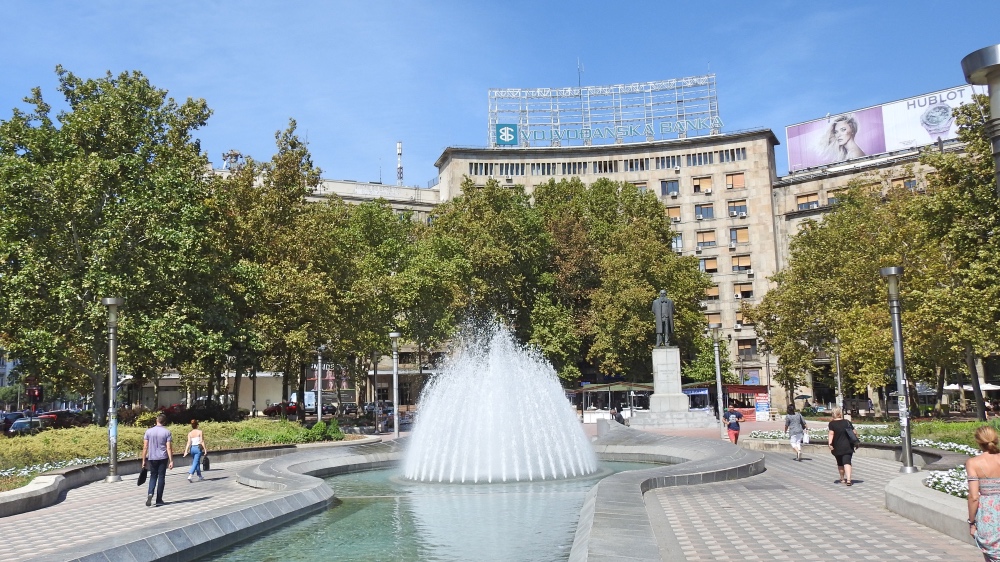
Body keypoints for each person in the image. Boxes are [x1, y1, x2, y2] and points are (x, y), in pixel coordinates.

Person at [966, 425, 1000, 560]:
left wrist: (971, 522)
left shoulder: (973, 463)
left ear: (978, 442)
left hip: (989, 514)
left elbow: (974, 497)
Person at [141, 413, 174, 506]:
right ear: (164, 422)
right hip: (163, 457)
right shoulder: (167, 432)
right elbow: (168, 448)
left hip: (152, 457)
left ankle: (150, 493)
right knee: (161, 477)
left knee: (153, 476)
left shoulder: (148, 431)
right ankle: (159, 499)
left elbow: (145, 447)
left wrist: (144, 460)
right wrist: (171, 461)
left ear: (157, 421)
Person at [827, 407, 857, 486]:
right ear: (840, 413)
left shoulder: (832, 424)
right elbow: (854, 432)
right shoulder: (847, 422)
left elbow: (831, 434)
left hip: (837, 446)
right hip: (848, 446)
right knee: (847, 462)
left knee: (840, 463)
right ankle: (849, 479)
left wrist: (830, 444)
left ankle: (842, 478)